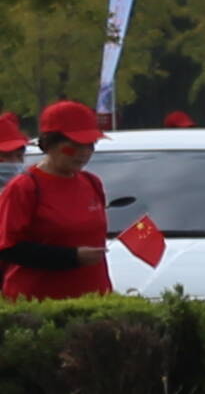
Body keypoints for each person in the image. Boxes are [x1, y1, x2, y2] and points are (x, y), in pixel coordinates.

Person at [4, 100, 137, 299]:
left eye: (90, 145)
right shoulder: (24, 188)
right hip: (39, 303)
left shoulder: (92, 183)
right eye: (73, 146)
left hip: (93, 299)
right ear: (49, 144)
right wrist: (71, 257)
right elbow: (8, 248)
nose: (84, 153)